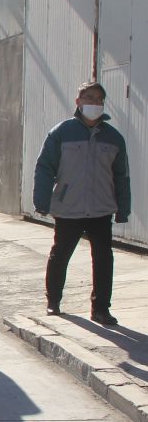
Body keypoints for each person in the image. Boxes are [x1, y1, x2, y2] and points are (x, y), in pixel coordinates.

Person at [34, 81, 130, 325]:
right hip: (69, 208)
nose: (94, 103)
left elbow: (121, 175)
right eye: (89, 98)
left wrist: (123, 208)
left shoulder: (114, 137)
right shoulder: (61, 132)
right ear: (78, 102)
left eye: (99, 99)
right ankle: (53, 301)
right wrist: (42, 201)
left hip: (100, 209)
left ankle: (101, 309)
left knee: (103, 259)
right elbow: (45, 168)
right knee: (60, 255)